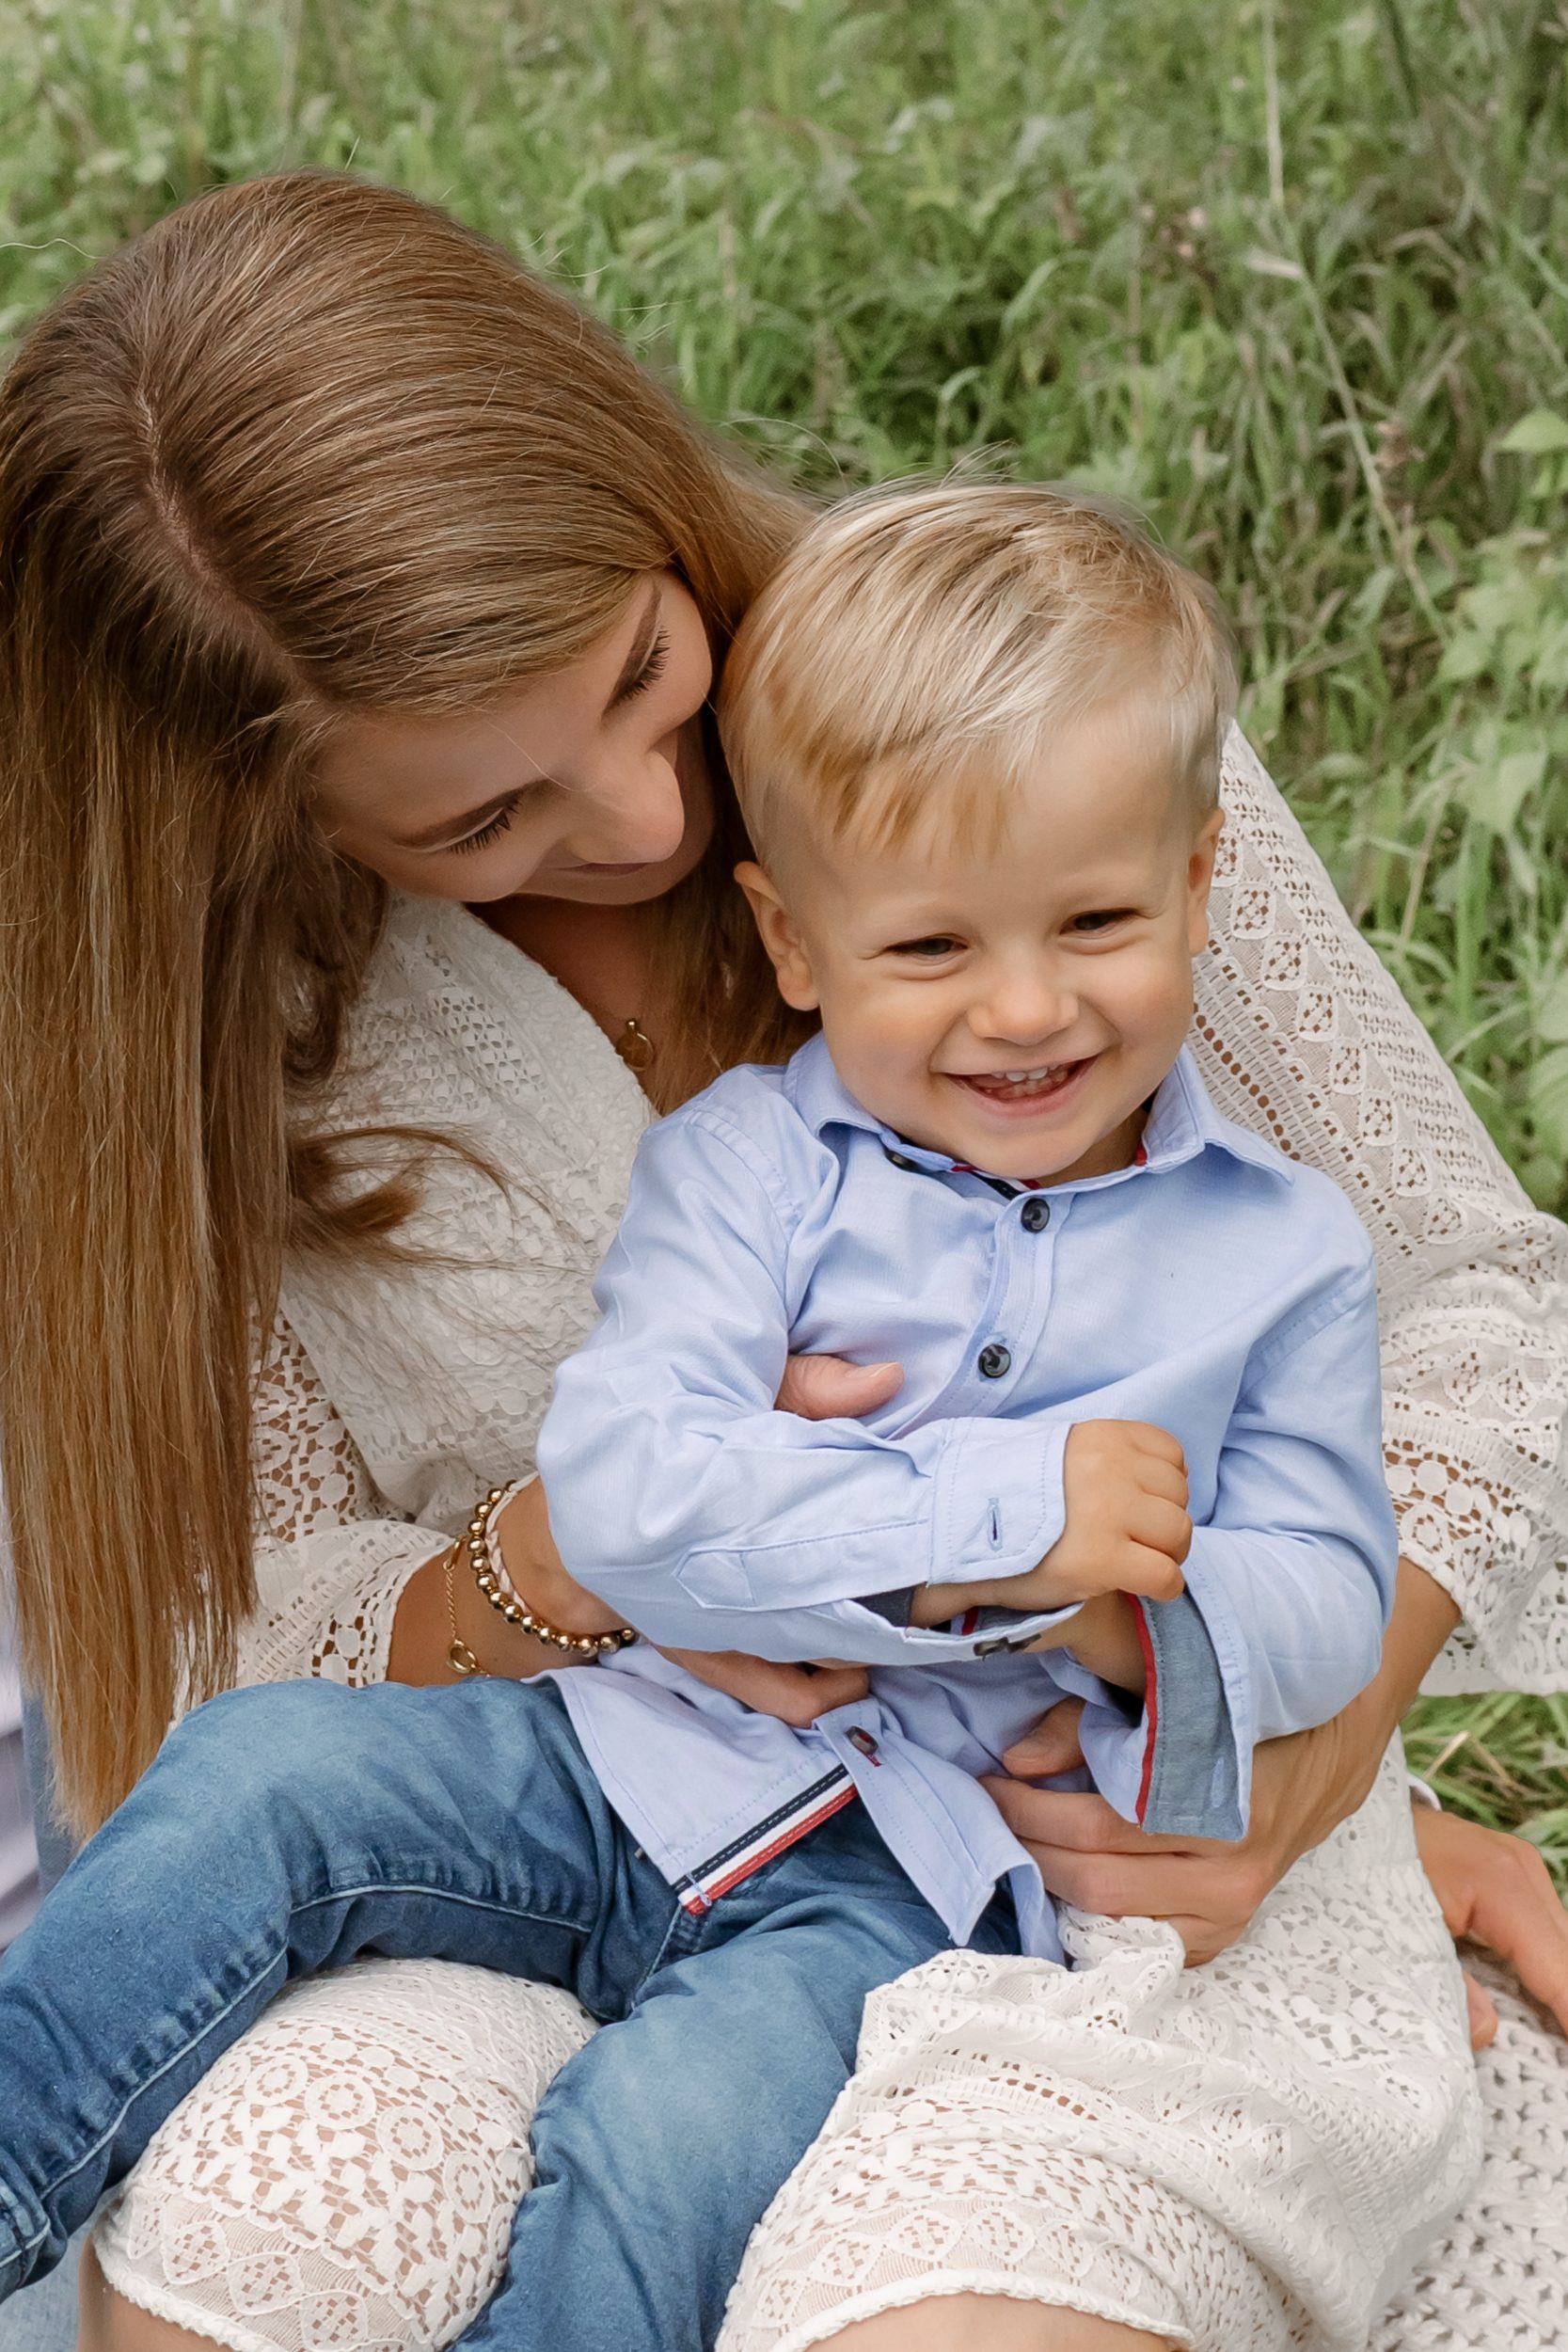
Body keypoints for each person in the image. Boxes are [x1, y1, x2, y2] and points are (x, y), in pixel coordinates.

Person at [0, 172, 1561, 2352]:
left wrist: (1306, 1721)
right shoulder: (304, 1063)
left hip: (1024, 1828)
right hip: (560, 1771)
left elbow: (1470, 1313)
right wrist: (575, 1561)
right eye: (481, 819)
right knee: (250, 2242)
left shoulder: (991, 718)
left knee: (688, 2150)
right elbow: (262, 1631)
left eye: (644, 673)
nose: (647, 821)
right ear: (262, 815)